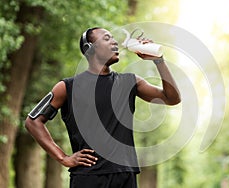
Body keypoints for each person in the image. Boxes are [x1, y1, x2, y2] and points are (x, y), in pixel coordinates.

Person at [25, 27, 181, 188]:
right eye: (107, 38)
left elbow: (172, 98)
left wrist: (159, 60)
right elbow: (33, 121)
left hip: (125, 176)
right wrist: (63, 158)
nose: (114, 42)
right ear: (89, 48)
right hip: (87, 178)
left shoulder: (131, 82)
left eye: (113, 38)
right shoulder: (66, 87)